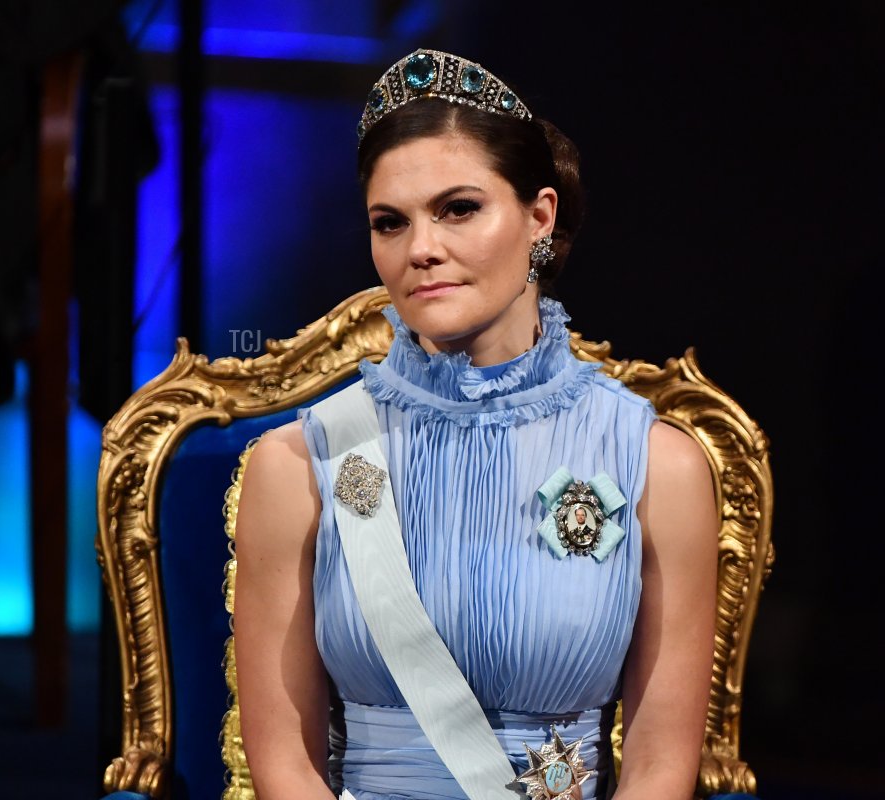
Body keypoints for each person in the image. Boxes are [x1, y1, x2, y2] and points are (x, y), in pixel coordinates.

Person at [233, 48, 717, 800]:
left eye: (458, 209)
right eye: (389, 223)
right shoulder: (299, 466)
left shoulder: (659, 467)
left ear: (539, 218)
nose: (421, 249)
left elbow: (658, 768)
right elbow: (285, 769)